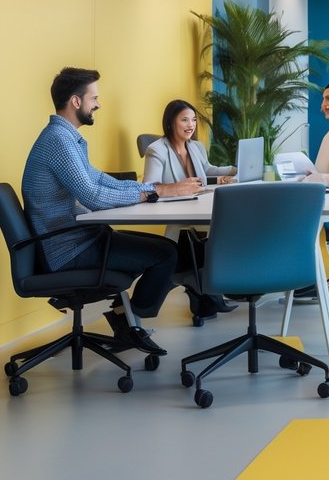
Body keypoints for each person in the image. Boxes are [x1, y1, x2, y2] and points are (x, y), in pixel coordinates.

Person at [21, 68, 201, 355]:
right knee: (166, 254)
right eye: (94, 98)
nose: (98, 104)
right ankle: (129, 320)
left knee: (164, 248)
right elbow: (93, 196)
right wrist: (155, 192)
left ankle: (125, 317)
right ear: (76, 102)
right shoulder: (58, 140)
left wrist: (158, 188)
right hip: (70, 250)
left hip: (81, 238)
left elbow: (102, 180)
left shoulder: (67, 138)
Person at [142, 99, 238, 320]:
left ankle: (207, 290)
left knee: (223, 226)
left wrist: (235, 169)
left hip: (198, 206)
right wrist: (177, 188)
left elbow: (208, 169)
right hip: (177, 214)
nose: (191, 125)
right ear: (170, 123)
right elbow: (149, 187)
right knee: (217, 232)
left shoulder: (195, 146)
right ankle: (206, 290)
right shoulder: (156, 150)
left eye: (193, 120)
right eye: (184, 120)